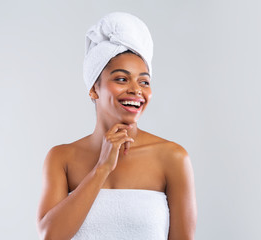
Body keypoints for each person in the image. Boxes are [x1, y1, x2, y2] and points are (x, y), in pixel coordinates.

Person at [36, 12, 197, 240]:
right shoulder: (61, 159)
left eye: (144, 81)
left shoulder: (173, 158)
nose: (136, 90)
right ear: (94, 88)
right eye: (121, 79)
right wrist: (101, 168)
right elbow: (50, 236)